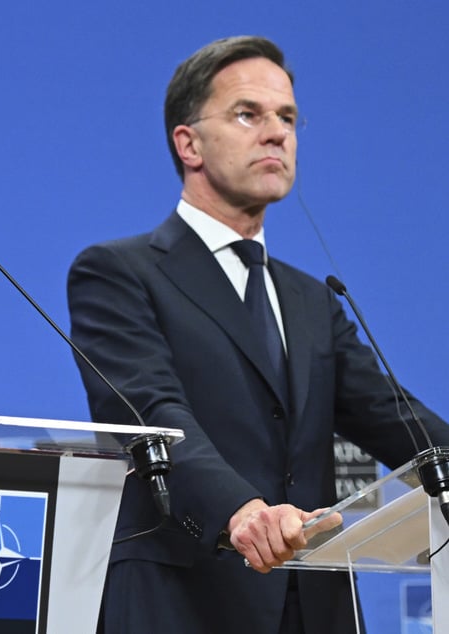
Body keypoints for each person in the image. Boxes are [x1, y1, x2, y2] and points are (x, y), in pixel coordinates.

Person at [67, 35, 449, 633]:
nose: (277, 133)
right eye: (249, 114)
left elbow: (392, 416)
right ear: (188, 142)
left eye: (288, 118)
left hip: (315, 604)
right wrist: (241, 510)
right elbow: (152, 415)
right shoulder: (118, 272)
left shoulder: (311, 299)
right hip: (184, 601)